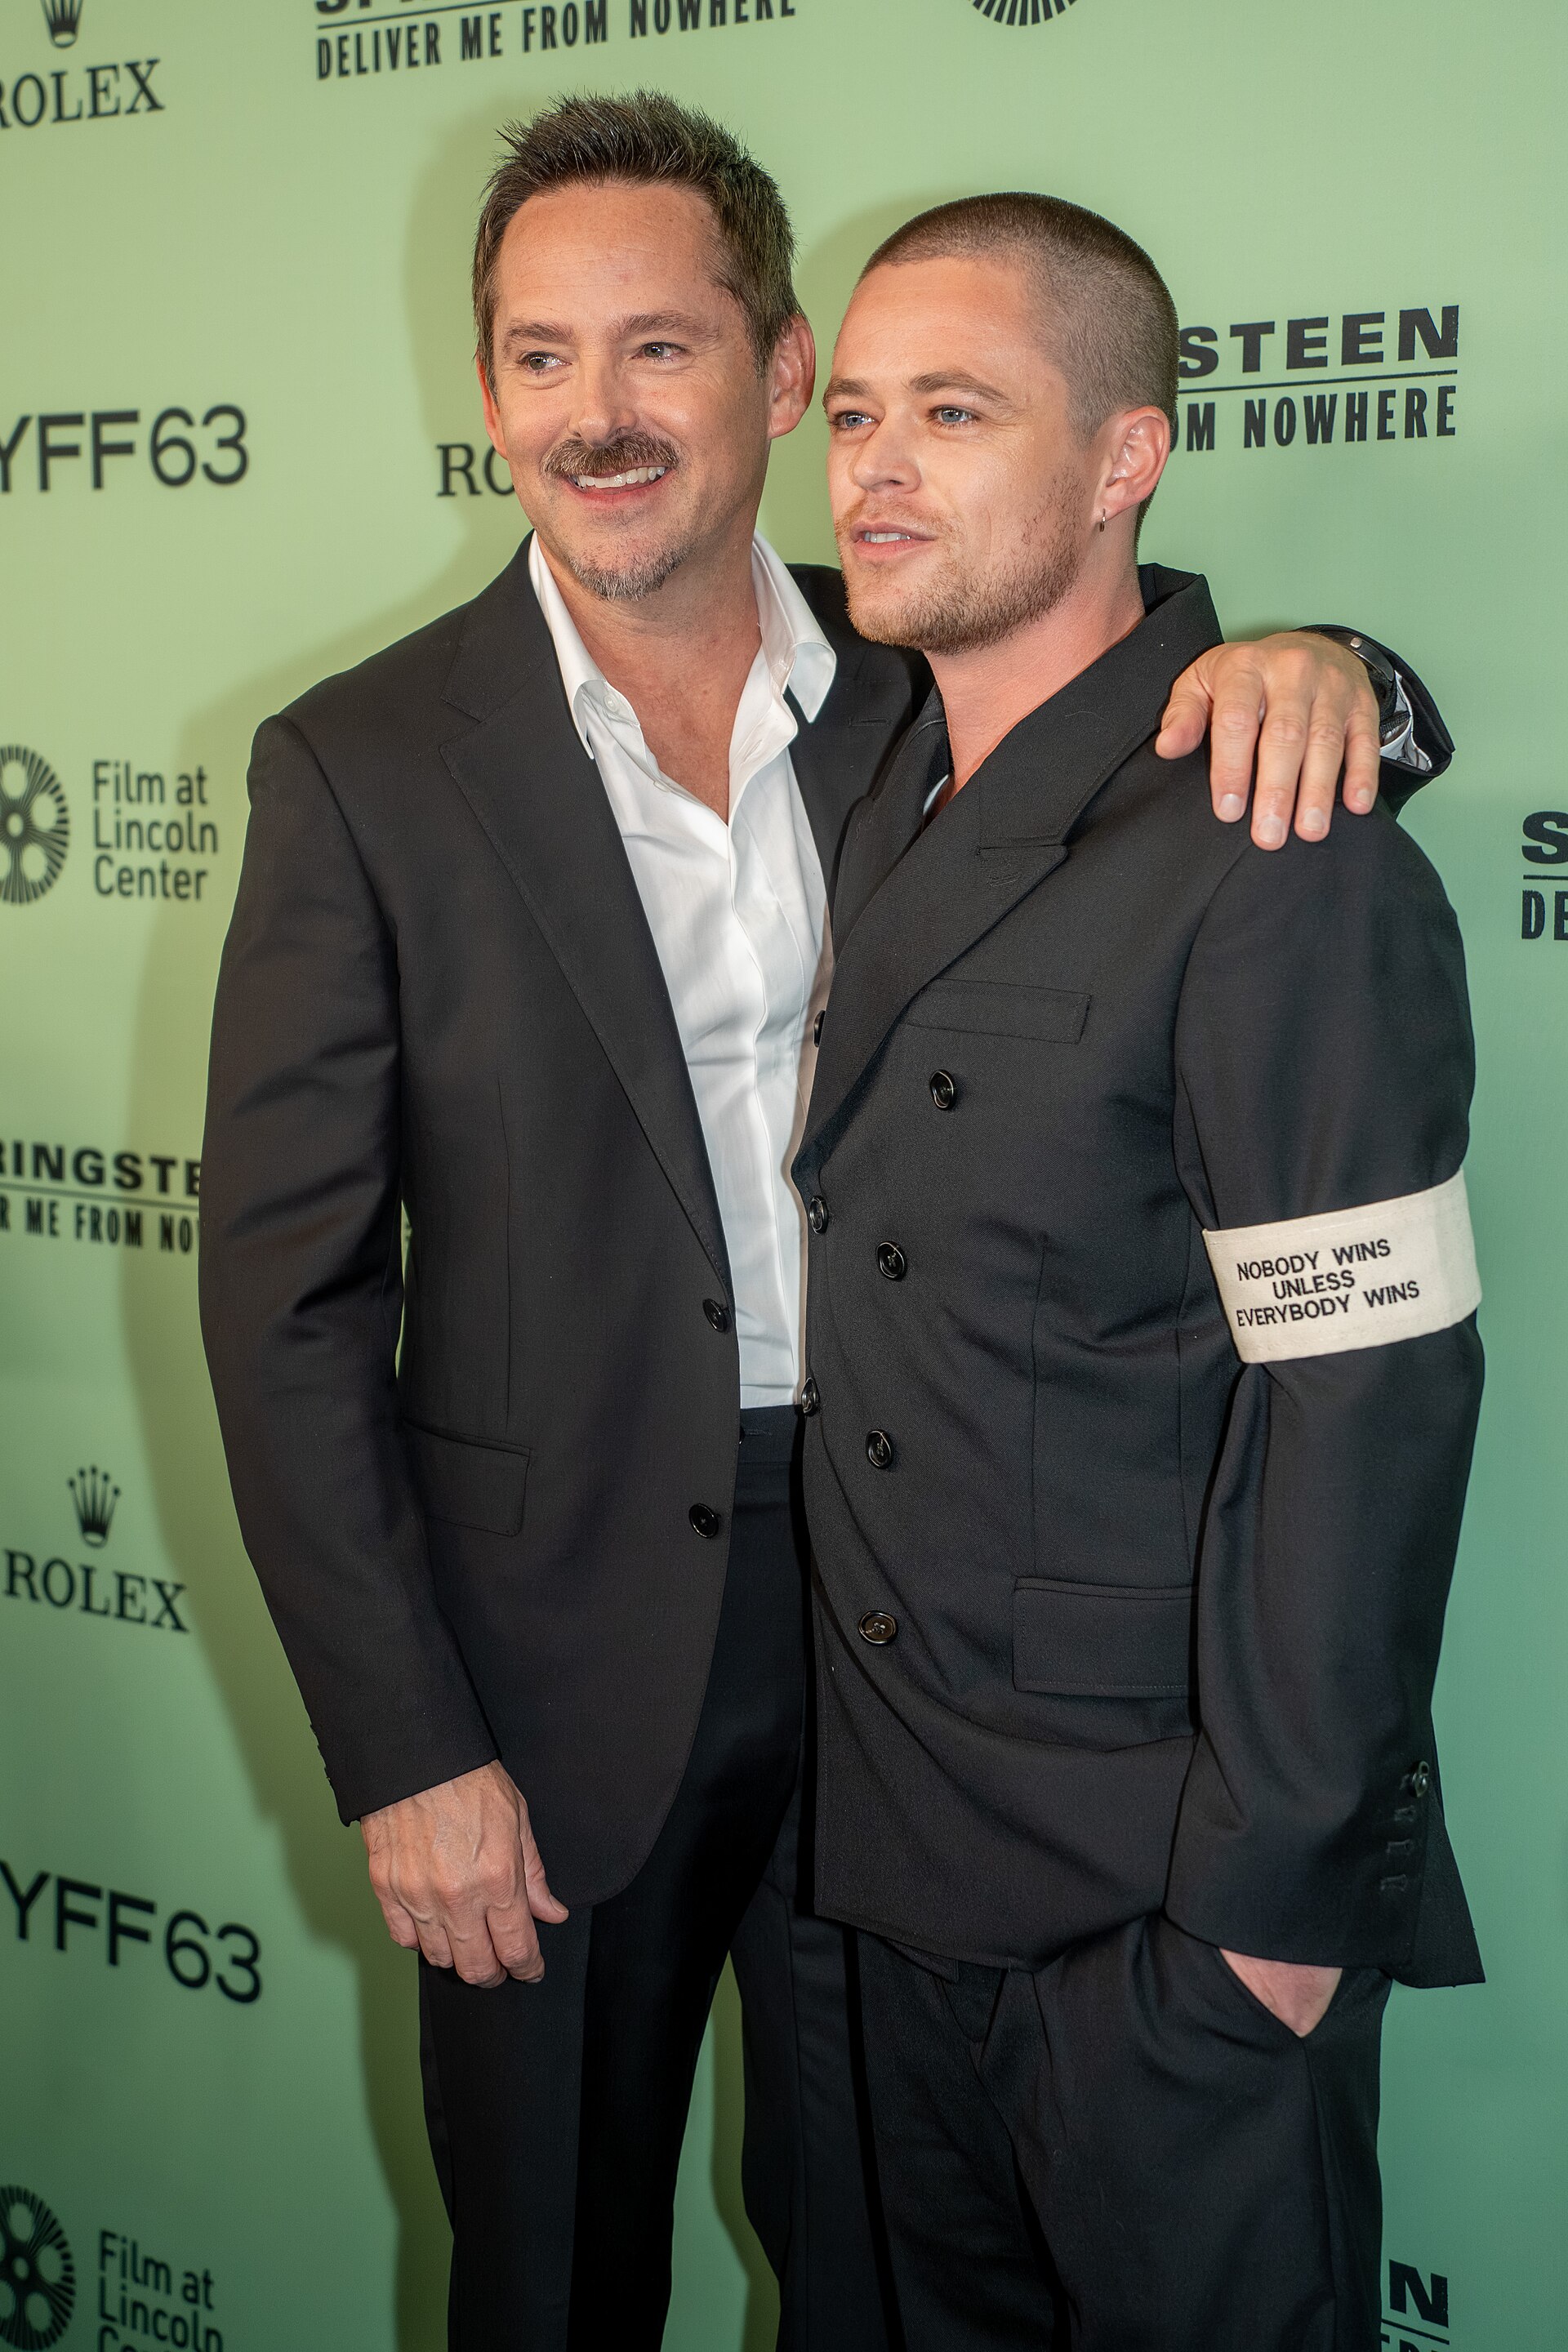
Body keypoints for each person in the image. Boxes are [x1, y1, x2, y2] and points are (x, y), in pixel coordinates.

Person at [198, 95, 1452, 2351]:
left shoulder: (906, 685)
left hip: (920, 1649)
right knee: (551, 2271)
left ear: (769, 375)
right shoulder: (362, 768)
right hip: (554, 1656)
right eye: (541, 356)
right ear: (486, 390)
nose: (596, 412)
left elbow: (1164, 761)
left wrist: (1347, 670)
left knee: (866, 2247)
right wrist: (407, 1747)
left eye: (660, 348)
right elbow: (284, 1309)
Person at [793, 191, 1484, 2352]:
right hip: (877, 1881)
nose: (877, 470)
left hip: (1160, 1914)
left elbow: (1367, 1399)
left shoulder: (1280, 843)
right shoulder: (849, 758)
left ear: (1125, 459)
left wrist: (1270, 1927)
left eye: (958, 413)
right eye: (858, 414)